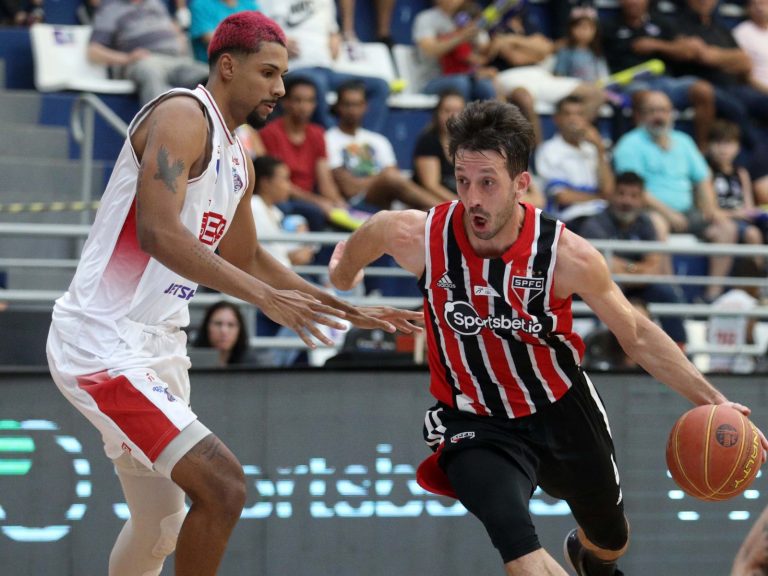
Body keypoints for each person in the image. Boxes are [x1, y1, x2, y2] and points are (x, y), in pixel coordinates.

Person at [46, 12, 420, 576]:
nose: (280, 89)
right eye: (268, 73)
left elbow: (247, 257)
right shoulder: (182, 114)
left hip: (158, 345)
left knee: (161, 524)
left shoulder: (239, 157)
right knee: (223, 487)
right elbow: (158, 232)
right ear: (227, 66)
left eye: (283, 75)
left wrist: (344, 309)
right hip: (103, 341)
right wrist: (265, 299)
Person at [328, 99, 768, 576]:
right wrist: (346, 281)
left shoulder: (566, 255)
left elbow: (638, 334)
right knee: (521, 556)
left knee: (610, 541)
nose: (472, 198)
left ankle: (591, 556)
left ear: (521, 183)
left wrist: (715, 399)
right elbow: (355, 251)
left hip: (560, 406)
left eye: (487, 182)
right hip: (474, 417)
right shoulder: (416, 235)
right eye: (462, 180)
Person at [613, 90, 737, 302]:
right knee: (657, 224)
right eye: (652, 111)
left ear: (671, 114)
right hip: (650, 211)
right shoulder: (629, 144)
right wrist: (668, 214)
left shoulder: (684, 141)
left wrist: (711, 208)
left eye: (663, 110)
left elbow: (702, 178)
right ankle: (672, 294)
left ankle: (712, 296)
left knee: (726, 227)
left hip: (687, 211)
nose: (658, 116)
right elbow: (633, 189)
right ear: (641, 116)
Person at [580, 171, 688, 348]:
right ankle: (605, 351)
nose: (626, 201)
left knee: (668, 294)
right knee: (606, 292)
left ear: (642, 199)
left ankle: (680, 349)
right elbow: (604, 267)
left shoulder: (646, 223)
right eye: (621, 194)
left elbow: (654, 266)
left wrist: (626, 267)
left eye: (633, 196)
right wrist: (638, 268)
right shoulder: (595, 224)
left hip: (639, 285)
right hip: (609, 284)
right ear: (612, 195)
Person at [261, 0, 390, 133]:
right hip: (295, 69)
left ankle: (366, 138)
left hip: (327, 69)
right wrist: (277, 43)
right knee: (317, 84)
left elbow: (333, 29)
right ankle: (333, 138)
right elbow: (260, 35)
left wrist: (336, 36)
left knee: (380, 86)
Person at [601, 0, 716, 148]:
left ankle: (701, 150)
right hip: (629, 82)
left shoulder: (661, 22)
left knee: (703, 90)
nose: (634, 2)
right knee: (645, 97)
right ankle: (644, 148)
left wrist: (656, 45)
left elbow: (686, 52)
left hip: (664, 81)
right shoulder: (608, 26)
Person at [327, 80, 445, 211]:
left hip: (387, 202)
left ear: (365, 106)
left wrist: (370, 181)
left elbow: (395, 179)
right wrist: (381, 178)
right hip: (354, 205)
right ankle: (445, 210)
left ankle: (443, 210)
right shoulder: (328, 139)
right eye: (348, 104)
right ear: (338, 106)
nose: (353, 110)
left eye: (358, 104)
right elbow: (350, 188)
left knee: (422, 210)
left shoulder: (378, 140)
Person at [86, 0, 210, 105]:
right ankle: (161, 125)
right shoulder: (110, 9)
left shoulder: (155, 3)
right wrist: (127, 58)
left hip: (176, 59)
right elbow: (94, 51)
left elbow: (172, 29)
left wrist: (178, 40)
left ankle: (213, 124)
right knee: (150, 72)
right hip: (143, 61)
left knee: (210, 75)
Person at [535, 94, 614, 234]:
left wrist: (600, 149)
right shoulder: (549, 150)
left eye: (579, 114)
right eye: (567, 114)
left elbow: (609, 190)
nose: (573, 119)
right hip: (571, 219)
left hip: (603, 215)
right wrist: (599, 197)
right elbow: (563, 197)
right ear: (557, 119)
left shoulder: (593, 149)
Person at [412, 88, 466, 200]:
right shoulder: (428, 141)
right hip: (433, 202)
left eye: (458, 111)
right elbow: (431, 186)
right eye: (447, 111)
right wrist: (461, 204)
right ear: (437, 114)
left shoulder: (472, 143)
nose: (453, 116)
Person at [188, 0, 260, 63]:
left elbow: (261, 32)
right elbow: (214, 41)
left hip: (249, 63)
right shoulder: (201, 4)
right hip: (212, 68)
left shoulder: (248, 2)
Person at [553, 6, 609, 84]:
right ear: (571, 29)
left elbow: (604, 77)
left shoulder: (597, 52)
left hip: (595, 89)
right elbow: (559, 76)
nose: (584, 32)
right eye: (580, 27)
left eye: (589, 28)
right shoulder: (565, 52)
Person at [191, 301, 257, 366]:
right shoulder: (189, 361)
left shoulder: (251, 365)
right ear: (206, 327)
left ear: (240, 330)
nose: (224, 331)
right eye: (218, 324)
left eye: (231, 325)